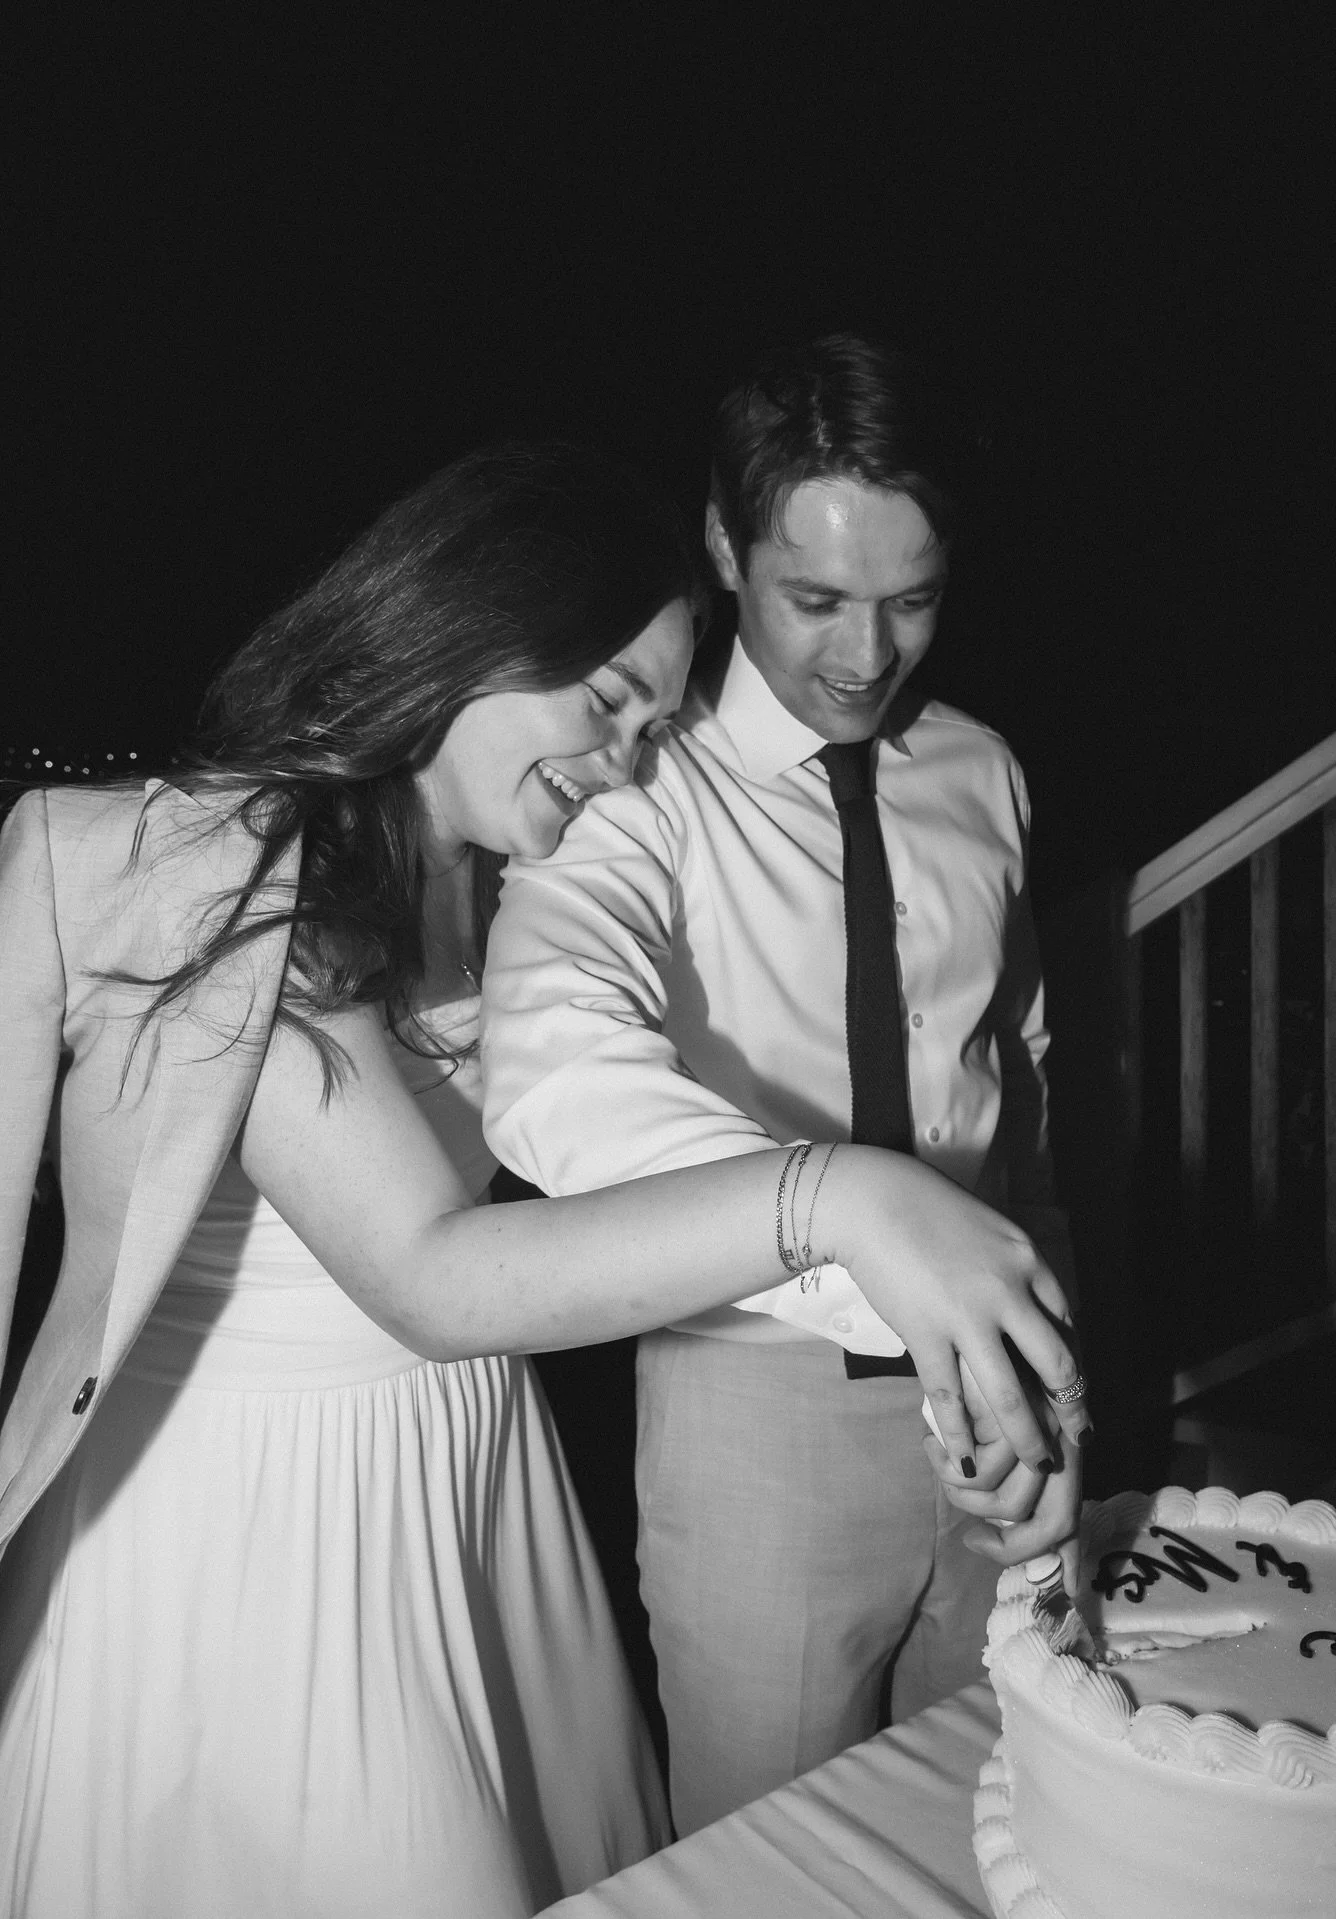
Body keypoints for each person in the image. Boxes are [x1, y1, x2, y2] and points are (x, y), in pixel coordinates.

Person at [0, 440, 1085, 1918]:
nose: (633, 755)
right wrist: (838, 1196)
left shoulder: (483, 864)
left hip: (466, 1460)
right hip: (259, 1502)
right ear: (465, 634)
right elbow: (436, 1273)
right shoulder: (229, 863)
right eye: (611, 704)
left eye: (654, 719)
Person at [479, 338, 1087, 1834]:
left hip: (1011, 1397)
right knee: (772, 1856)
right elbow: (551, 1065)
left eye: (914, 599)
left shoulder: (986, 772)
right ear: (721, 546)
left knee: (1000, 1815)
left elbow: (1019, 1076)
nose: (869, 654)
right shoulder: (632, 779)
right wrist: (858, 1230)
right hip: (754, 1400)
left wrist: (1055, 1351)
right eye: (817, 598)